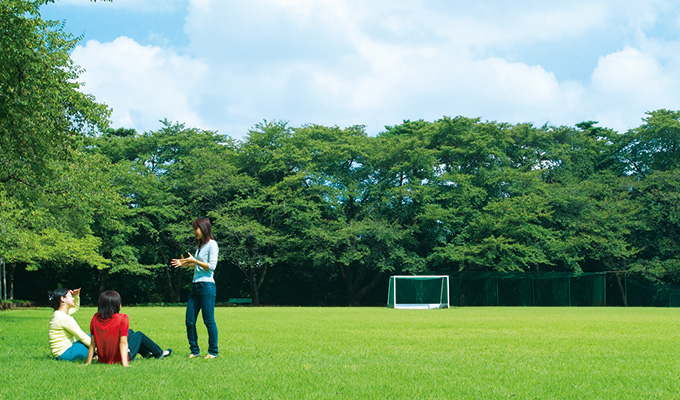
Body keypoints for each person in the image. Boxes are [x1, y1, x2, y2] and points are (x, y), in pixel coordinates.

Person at [171, 217, 219, 359]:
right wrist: (185, 263)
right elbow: (198, 265)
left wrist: (195, 261)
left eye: (195, 228)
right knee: (189, 320)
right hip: (196, 285)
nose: (194, 232)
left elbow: (211, 266)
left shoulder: (212, 245)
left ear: (203, 228)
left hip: (207, 286)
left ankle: (213, 352)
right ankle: (195, 351)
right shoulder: (200, 246)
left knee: (208, 320)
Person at [85, 290, 171, 366]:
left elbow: (93, 343)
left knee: (130, 332)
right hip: (119, 358)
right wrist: (125, 363)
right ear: (115, 305)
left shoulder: (95, 318)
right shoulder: (122, 318)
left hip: (103, 359)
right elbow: (123, 343)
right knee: (139, 335)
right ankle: (159, 353)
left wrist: (88, 363)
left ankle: (146, 353)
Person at [48, 288, 91, 361]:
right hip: (67, 354)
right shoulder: (64, 318)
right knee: (95, 337)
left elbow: (75, 308)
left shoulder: (57, 314)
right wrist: (99, 350)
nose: (73, 298)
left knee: (92, 338)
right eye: (70, 296)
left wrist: (76, 296)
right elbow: (82, 336)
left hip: (61, 355)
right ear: (63, 299)